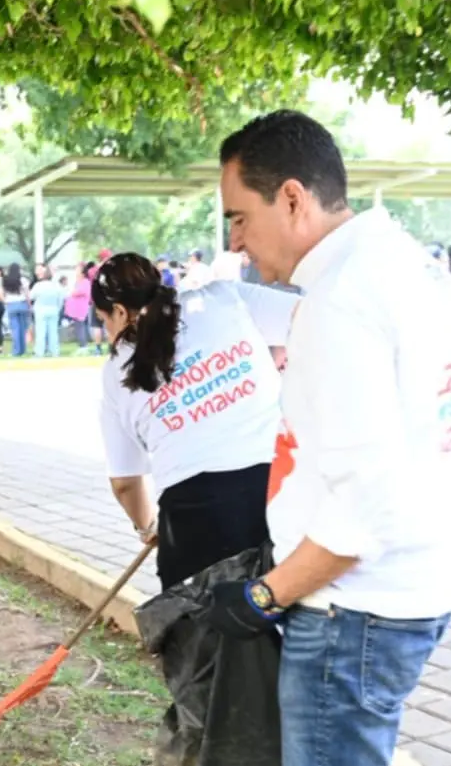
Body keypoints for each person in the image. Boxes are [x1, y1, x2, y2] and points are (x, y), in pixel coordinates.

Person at [216, 110, 451, 766]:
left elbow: (362, 511)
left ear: (292, 199)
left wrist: (263, 595)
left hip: (351, 613)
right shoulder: (411, 269)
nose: (240, 247)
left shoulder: (339, 304)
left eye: (240, 220)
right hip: (413, 589)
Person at [94, 252, 296, 591]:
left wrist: (148, 527)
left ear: (118, 312)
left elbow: (125, 483)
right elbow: (314, 318)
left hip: (192, 518)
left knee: (207, 637)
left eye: (104, 321)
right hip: (277, 490)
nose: (108, 331)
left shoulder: (115, 371)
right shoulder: (224, 297)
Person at [30, 265, 66, 357]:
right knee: (53, 332)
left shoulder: (38, 285)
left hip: (41, 310)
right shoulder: (56, 286)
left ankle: (39, 352)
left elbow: (31, 296)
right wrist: (58, 308)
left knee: (41, 332)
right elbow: (61, 299)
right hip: (53, 309)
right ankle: (55, 352)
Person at [2, 263, 32, 357]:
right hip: (22, 304)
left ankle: (16, 350)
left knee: (15, 329)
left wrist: (5, 301)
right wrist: (29, 305)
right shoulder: (23, 280)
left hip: (11, 305)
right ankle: (23, 350)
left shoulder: (5, 280)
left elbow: (3, 293)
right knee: (23, 328)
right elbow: (27, 294)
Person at [65, 261, 96, 351]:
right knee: (78, 327)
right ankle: (81, 344)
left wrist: (73, 292)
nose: (76, 271)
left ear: (82, 272)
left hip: (81, 309)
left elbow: (80, 292)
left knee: (80, 326)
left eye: (78, 270)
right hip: (75, 309)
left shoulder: (85, 282)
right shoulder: (76, 282)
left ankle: (83, 345)